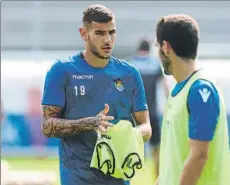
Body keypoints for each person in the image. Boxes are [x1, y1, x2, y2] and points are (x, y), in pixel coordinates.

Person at [41, 4, 152, 185]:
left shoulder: (129, 74)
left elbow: (146, 126)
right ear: (84, 34)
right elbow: (47, 126)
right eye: (100, 33)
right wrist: (91, 123)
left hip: (118, 177)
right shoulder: (62, 71)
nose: (108, 39)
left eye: (112, 32)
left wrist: (129, 135)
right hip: (78, 177)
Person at [154, 14, 230, 185]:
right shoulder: (179, 91)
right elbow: (173, 160)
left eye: (158, 46)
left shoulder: (200, 90)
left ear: (166, 47)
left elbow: (199, 155)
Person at [127, 38, 168, 180]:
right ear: (149, 49)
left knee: (130, 147)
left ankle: (128, 177)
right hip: (152, 112)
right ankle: (157, 178)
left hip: (134, 113)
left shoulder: (131, 64)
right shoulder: (155, 65)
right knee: (156, 148)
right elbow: (165, 87)